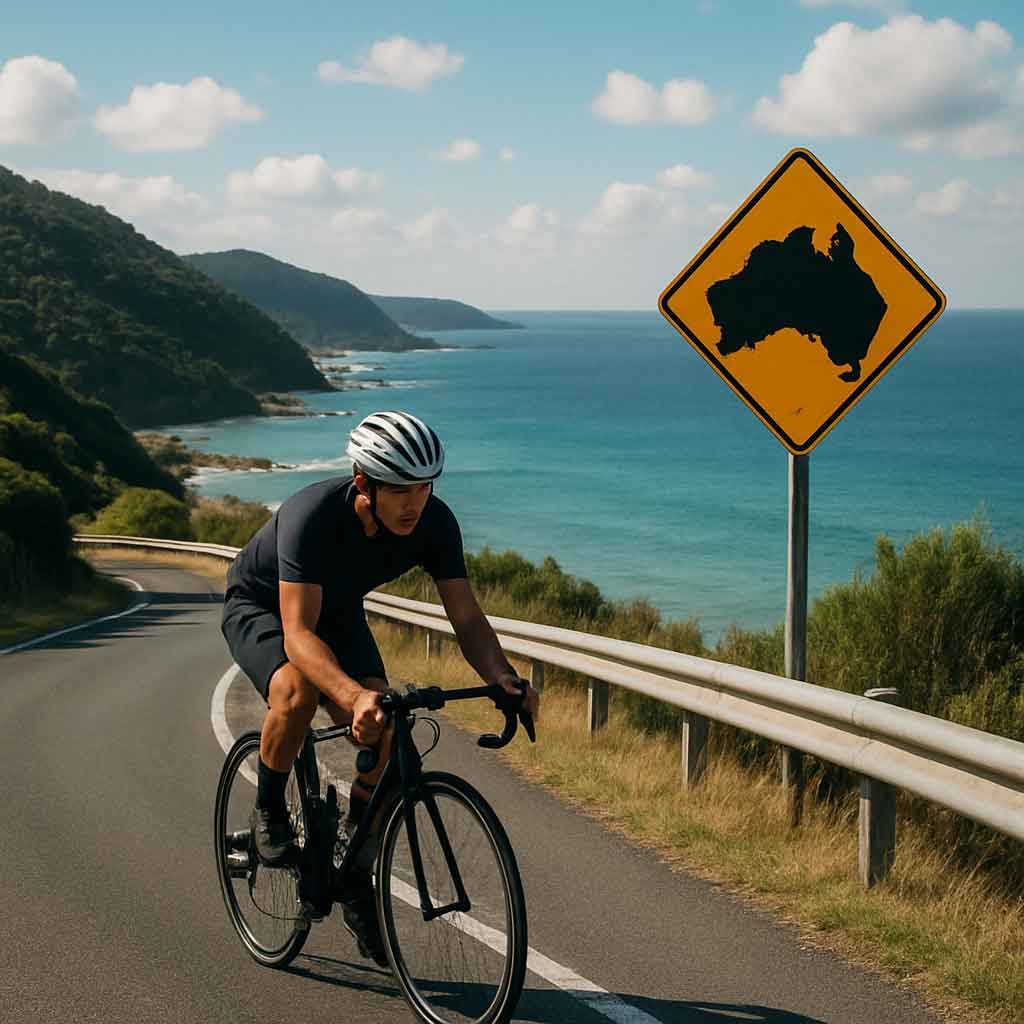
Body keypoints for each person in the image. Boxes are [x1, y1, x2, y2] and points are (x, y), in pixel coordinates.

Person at [220, 410, 540, 965]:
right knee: (296, 691)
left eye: (423, 487)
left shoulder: (434, 524)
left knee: (389, 734)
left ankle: (354, 870)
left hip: (337, 610)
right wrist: (349, 698)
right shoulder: (311, 516)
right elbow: (297, 633)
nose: (413, 502)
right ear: (364, 483)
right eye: (399, 490)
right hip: (265, 607)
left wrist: (502, 676)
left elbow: (465, 617)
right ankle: (269, 806)